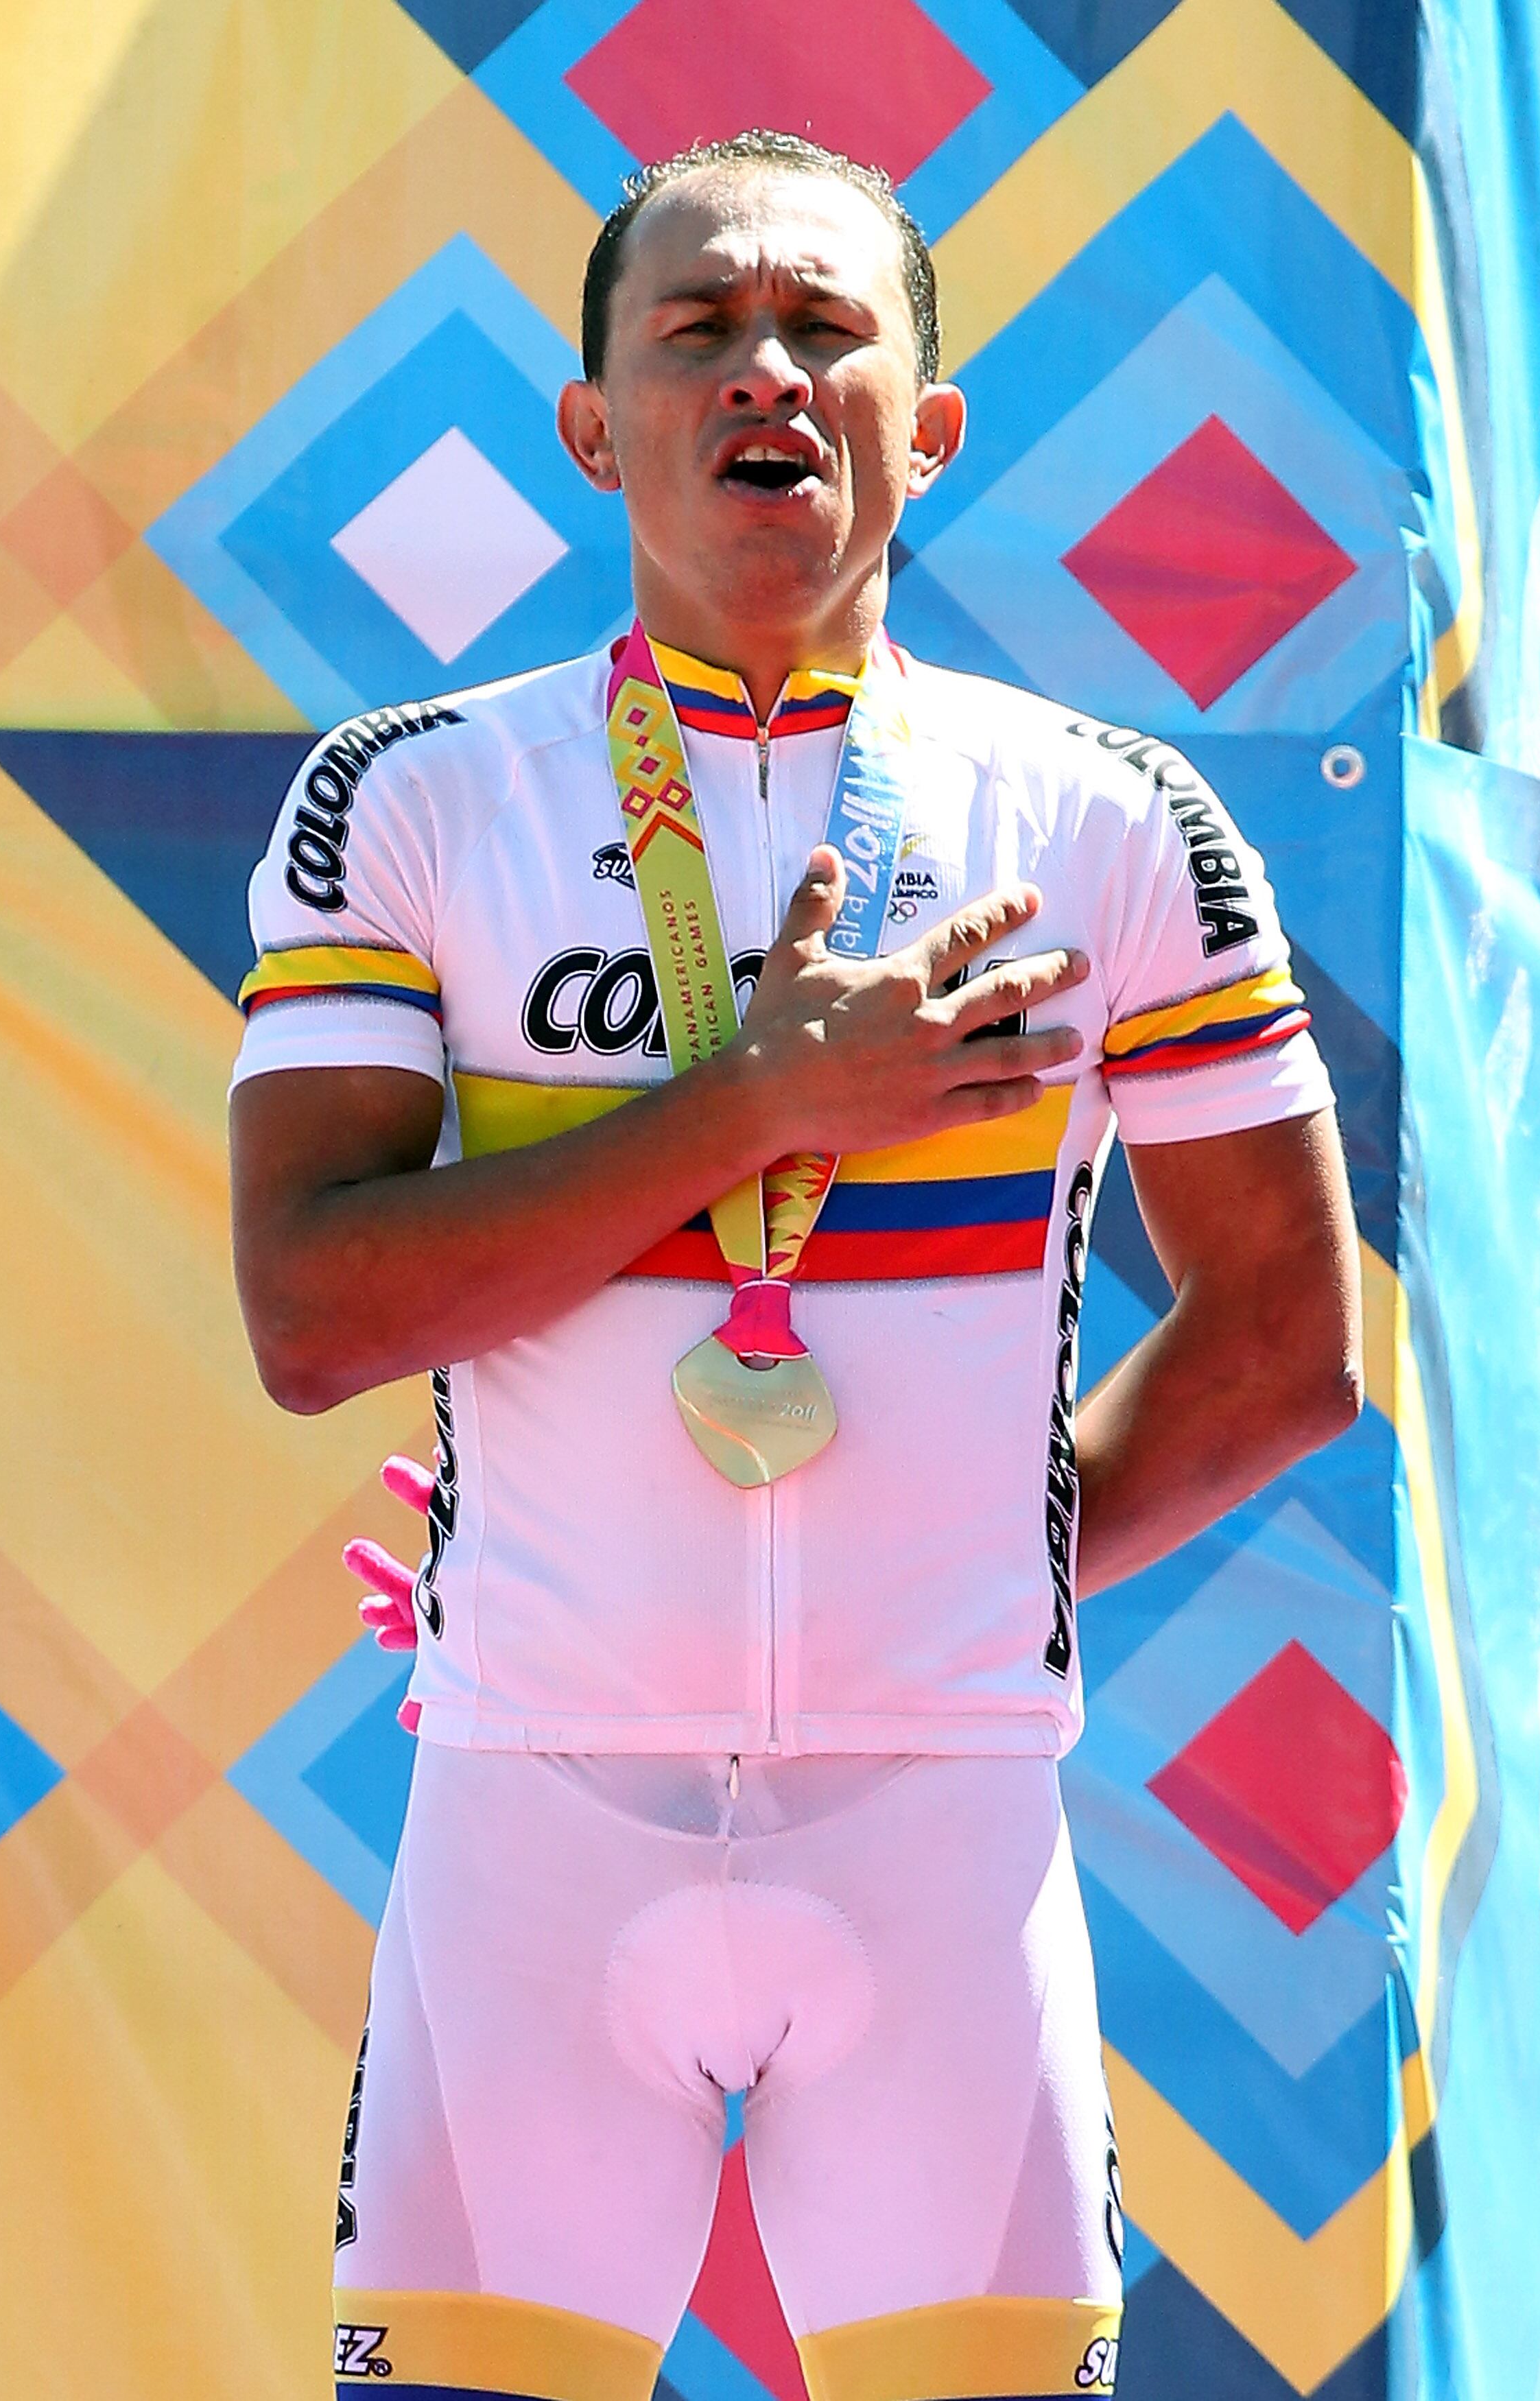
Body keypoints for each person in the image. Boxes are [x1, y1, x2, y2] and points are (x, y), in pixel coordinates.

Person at [228, 130, 1362, 2401]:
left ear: (926, 426)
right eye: (699, 327)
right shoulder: (412, 797)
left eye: (828, 330)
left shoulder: (1114, 816)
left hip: (938, 1822)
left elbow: (1284, 1349)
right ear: (593, 425)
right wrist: (751, 1106)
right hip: (530, 1808)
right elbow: (314, 1314)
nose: (768, 367)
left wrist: (971, 1589)